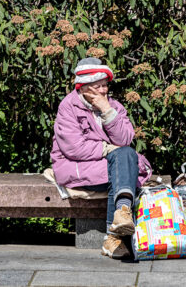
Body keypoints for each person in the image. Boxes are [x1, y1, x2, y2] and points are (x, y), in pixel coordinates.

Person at [50, 57, 152, 259]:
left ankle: (120, 217)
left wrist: (107, 111)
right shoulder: (68, 107)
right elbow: (74, 148)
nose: (104, 91)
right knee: (125, 168)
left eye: (105, 85)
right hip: (76, 166)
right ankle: (115, 235)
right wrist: (108, 149)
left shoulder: (113, 106)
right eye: (98, 86)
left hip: (107, 167)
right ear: (84, 88)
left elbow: (125, 139)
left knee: (125, 159)